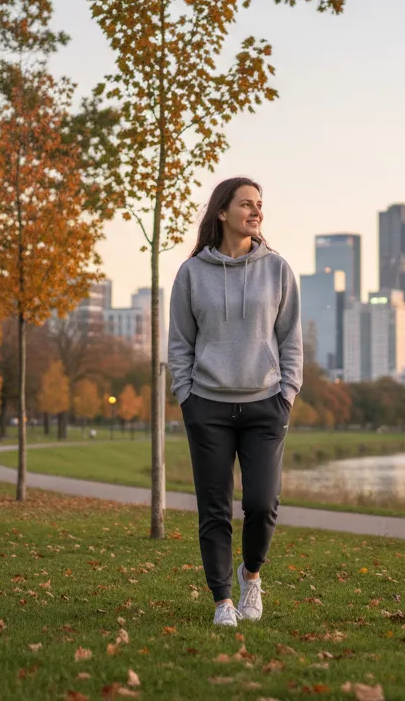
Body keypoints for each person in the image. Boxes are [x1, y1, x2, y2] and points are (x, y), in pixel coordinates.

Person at [168, 176, 302, 628]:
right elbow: (180, 343)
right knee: (214, 507)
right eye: (246, 204)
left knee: (262, 503)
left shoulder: (277, 269)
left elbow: (291, 340)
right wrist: (185, 395)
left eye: (259, 204)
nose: (256, 211)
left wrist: (287, 393)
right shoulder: (191, 274)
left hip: (266, 403)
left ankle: (252, 575)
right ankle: (222, 599)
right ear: (222, 212)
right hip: (206, 403)